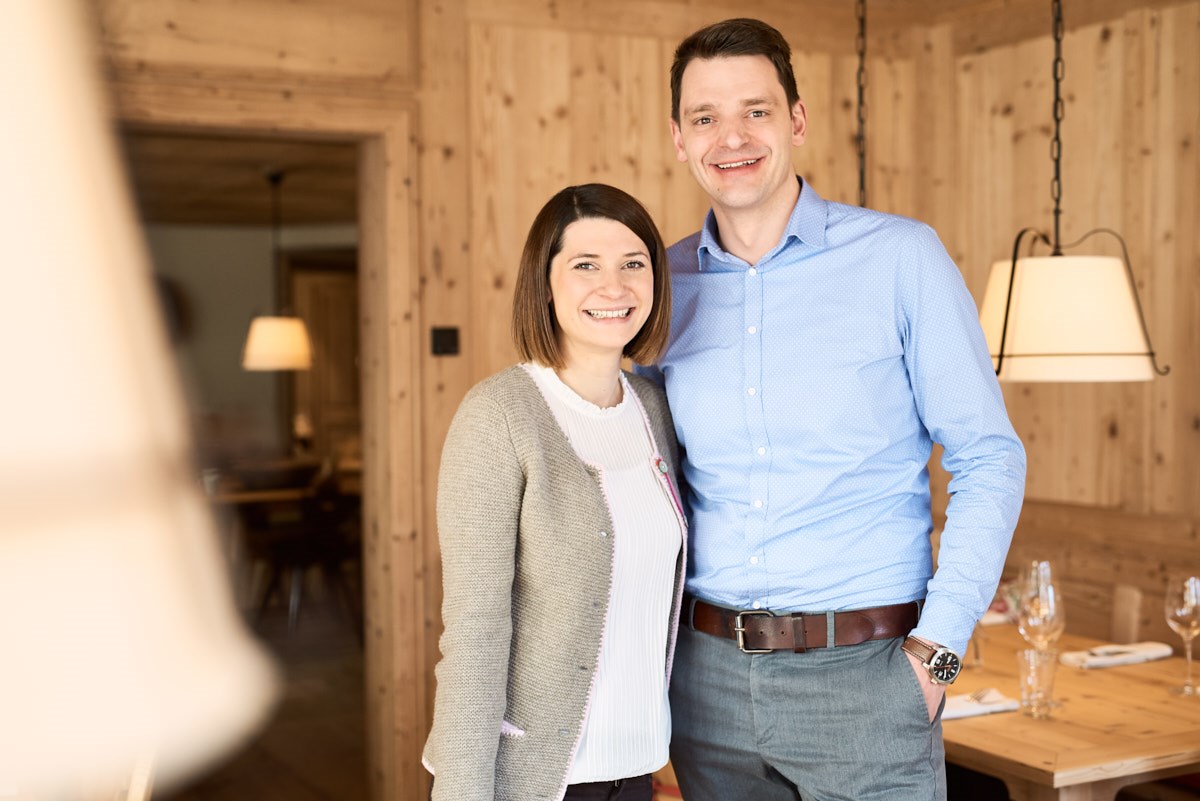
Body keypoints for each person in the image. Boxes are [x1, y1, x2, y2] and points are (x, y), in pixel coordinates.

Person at [636, 18, 1027, 801]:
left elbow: (991, 458)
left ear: (798, 120)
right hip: (705, 683)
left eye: (756, 110)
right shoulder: (658, 284)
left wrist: (938, 660)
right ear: (678, 137)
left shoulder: (900, 258)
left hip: (872, 679)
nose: (731, 137)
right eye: (705, 117)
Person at [422, 183, 687, 801]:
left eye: (633, 264)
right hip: (536, 780)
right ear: (545, 284)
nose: (614, 287)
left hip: (638, 770)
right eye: (585, 266)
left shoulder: (656, 409)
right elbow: (475, 630)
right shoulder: (499, 415)